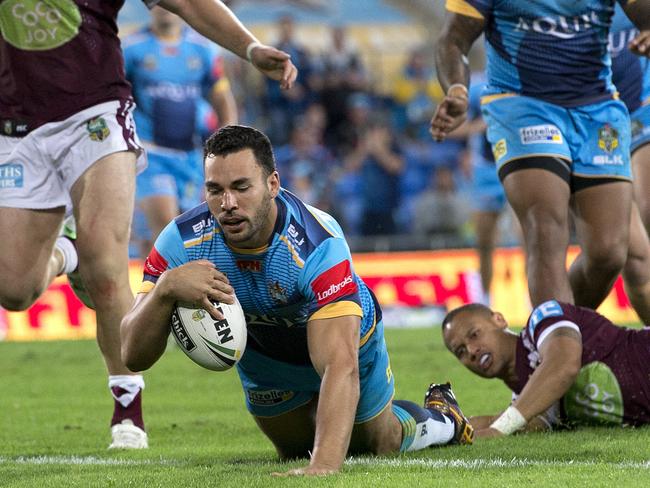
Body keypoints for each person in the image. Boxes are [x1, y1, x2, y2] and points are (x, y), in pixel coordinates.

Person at [0, 0, 296, 449]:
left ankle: (127, 410)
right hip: (16, 125)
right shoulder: (143, 50)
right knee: (15, 290)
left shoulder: (192, 54)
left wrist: (249, 48)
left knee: (106, 261)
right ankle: (70, 252)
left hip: (94, 115)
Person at [120, 125, 474, 476]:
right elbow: (132, 355)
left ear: (272, 184)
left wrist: (322, 467)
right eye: (215, 190)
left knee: (376, 443)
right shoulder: (180, 242)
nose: (227, 204)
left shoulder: (317, 242)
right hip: (265, 352)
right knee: (294, 452)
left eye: (241, 187)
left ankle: (444, 418)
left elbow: (339, 364)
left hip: (347, 340)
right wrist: (165, 288)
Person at [431, 1, 650, 310]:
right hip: (523, 105)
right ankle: (554, 343)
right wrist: (457, 89)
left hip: (597, 109)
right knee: (544, 230)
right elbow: (454, 38)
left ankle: (554, 336)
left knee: (609, 253)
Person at [124, 7, 239, 257]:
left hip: (191, 157)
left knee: (193, 232)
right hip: (151, 154)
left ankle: (174, 288)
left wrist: (228, 142)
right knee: (165, 227)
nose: (164, 8)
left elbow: (221, 97)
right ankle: (163, 290)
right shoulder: (131, 48)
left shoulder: (204, 49)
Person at [441, 301, 650, 437]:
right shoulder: (529, 396)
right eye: (460, 351)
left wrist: (500, 429)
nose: (471, 350)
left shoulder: (543, 318)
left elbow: (563, 364)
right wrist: (441, 431)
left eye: (474, 334)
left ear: (499, 320)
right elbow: (512, 421)